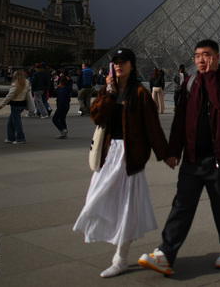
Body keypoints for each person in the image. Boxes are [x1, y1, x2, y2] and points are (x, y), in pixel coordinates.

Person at [138, 39, 220, 276]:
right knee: (181, 205)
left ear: (217, 56)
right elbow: (180, 120)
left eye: (206, 55)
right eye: (197, 55)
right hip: (192, 158)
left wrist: (208, 77)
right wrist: (174, 151)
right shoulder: (189, 83)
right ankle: (165, 253)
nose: (200, 60)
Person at [74, 49, 169, 277]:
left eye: (123, 62)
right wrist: (108, 91)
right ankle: (117, 249)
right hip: (108, 154)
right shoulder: (107, 90)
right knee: (96, 199)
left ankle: (121, 257)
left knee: (127, 209)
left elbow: (152, 127)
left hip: (130, 156)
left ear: (131, 65)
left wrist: (166, 153)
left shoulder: (140, 93)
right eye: (115, 62)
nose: (118, 66)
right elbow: (96, 116)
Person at [0, 70, 31, 144]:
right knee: (11, 122)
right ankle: (10, 137)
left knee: (16, 122)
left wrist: (2, 105)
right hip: (22, 104)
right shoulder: (26, 82)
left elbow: (9, 96)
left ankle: (20, 138)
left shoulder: (15, 85)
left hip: (15, 104)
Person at [52, 74, 71, 139]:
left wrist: (59, 107)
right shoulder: (67, 89)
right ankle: (64, 132)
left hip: (61, 106)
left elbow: (61, 100)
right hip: (66, 106)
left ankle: (62, 130)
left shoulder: (62, 91)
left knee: (55, 119)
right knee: (62, 119)